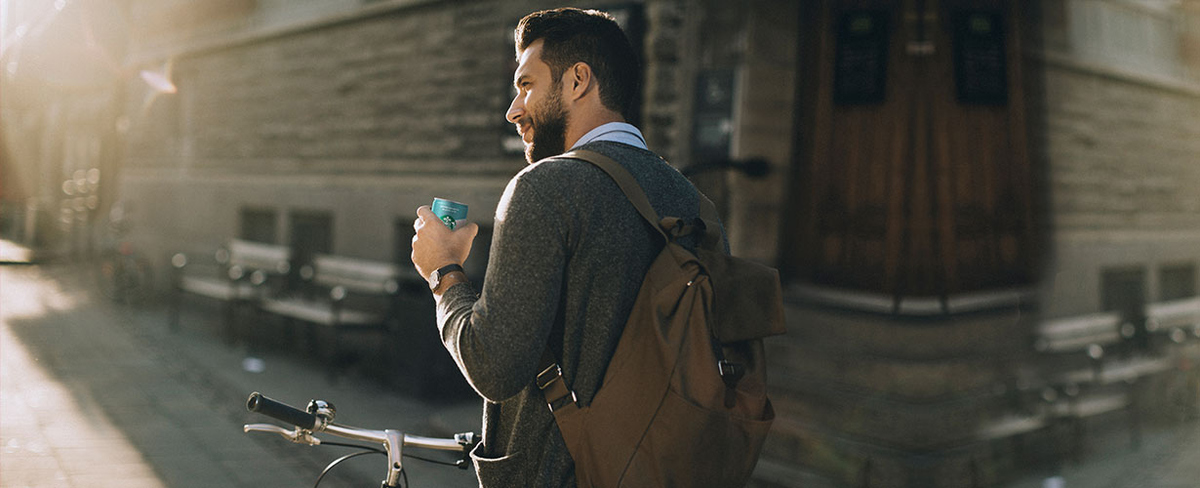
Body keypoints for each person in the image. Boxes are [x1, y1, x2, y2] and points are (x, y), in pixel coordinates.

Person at [411, 8, 723, 487]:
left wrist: (443, 272)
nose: (513, 109)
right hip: (660, 469)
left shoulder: (545, 186)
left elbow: (493, 365)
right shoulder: (692, 199)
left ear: (578, 80)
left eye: (526, 85)